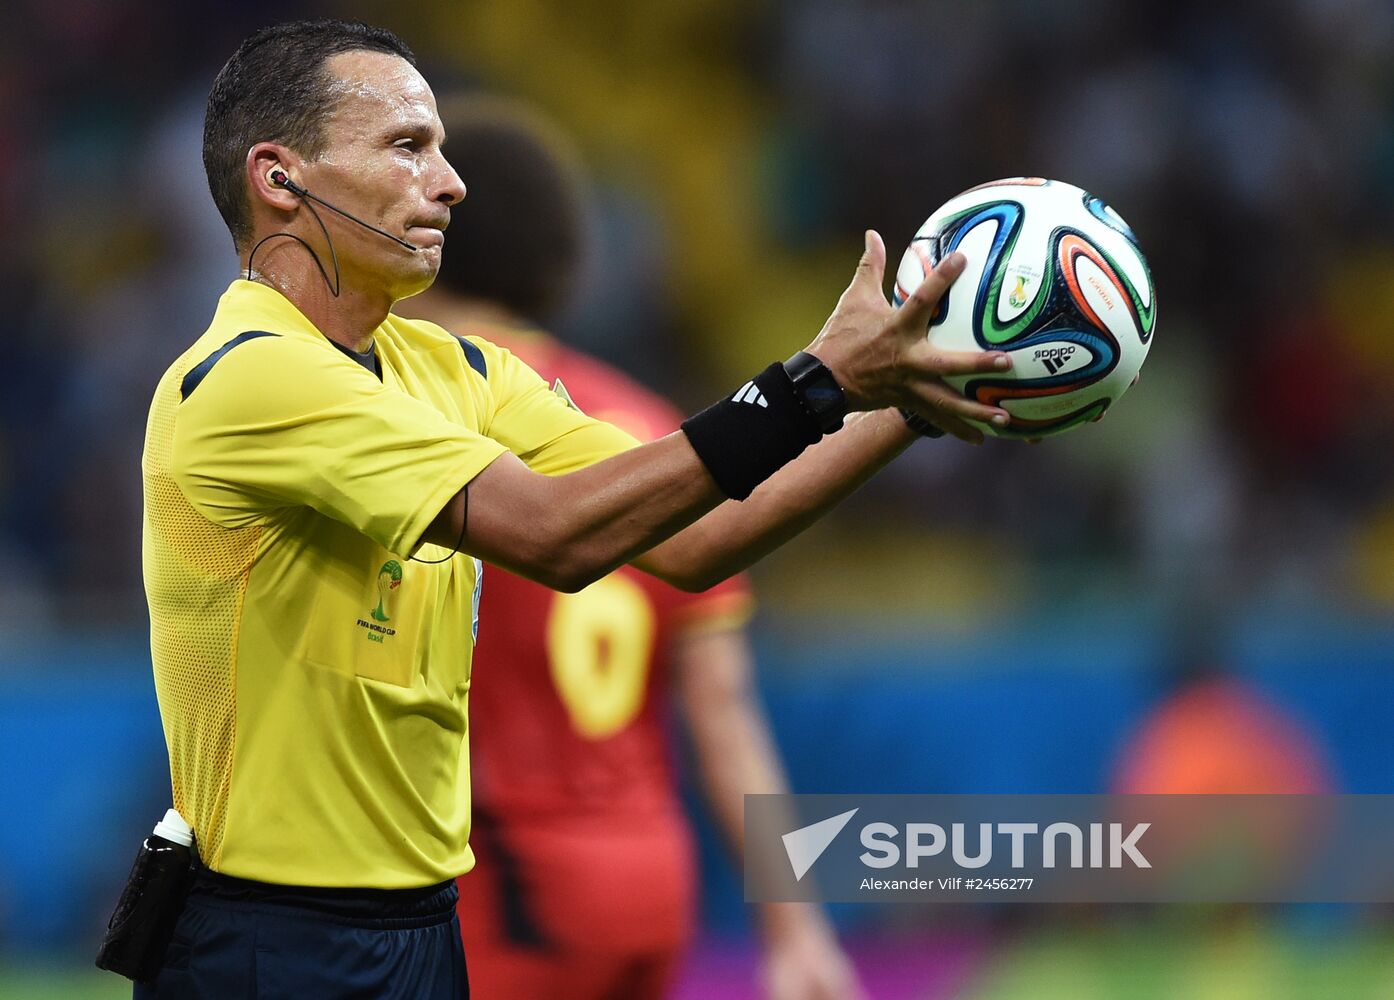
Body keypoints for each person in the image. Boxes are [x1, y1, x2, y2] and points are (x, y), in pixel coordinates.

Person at [137, 17, 1013, 999]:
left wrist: (903, 401)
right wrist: (813, 383)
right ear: (279, 177)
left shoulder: (456, 370)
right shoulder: (249, 378)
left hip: (426, 923)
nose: (450, 181)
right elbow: (553, 534)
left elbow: (695, 542)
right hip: (269, 936)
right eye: (406, 146)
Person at [403, 97, 863, 1000]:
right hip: (645, 875)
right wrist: (794, 923)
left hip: (500, 878)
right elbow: (722, 709)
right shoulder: (654, 432)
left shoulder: (416, 408)